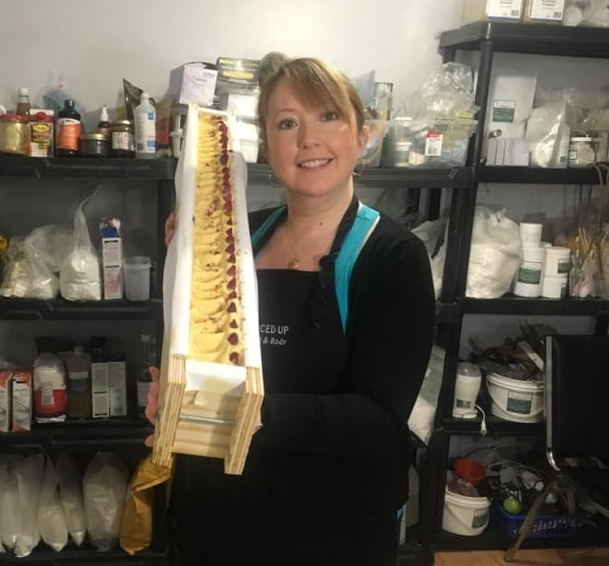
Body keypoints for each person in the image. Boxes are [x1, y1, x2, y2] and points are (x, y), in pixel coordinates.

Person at [147, 56, 436, 565]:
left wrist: (237, 411)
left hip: (329, 531)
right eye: (287, 122)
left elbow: (379, 422)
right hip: (216, 518)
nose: (308, 139)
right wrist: (175, 393)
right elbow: (195, 350)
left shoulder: (392, 256)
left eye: (328, 116)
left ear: (361, 135)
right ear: (266, 142)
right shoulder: (233, 235)